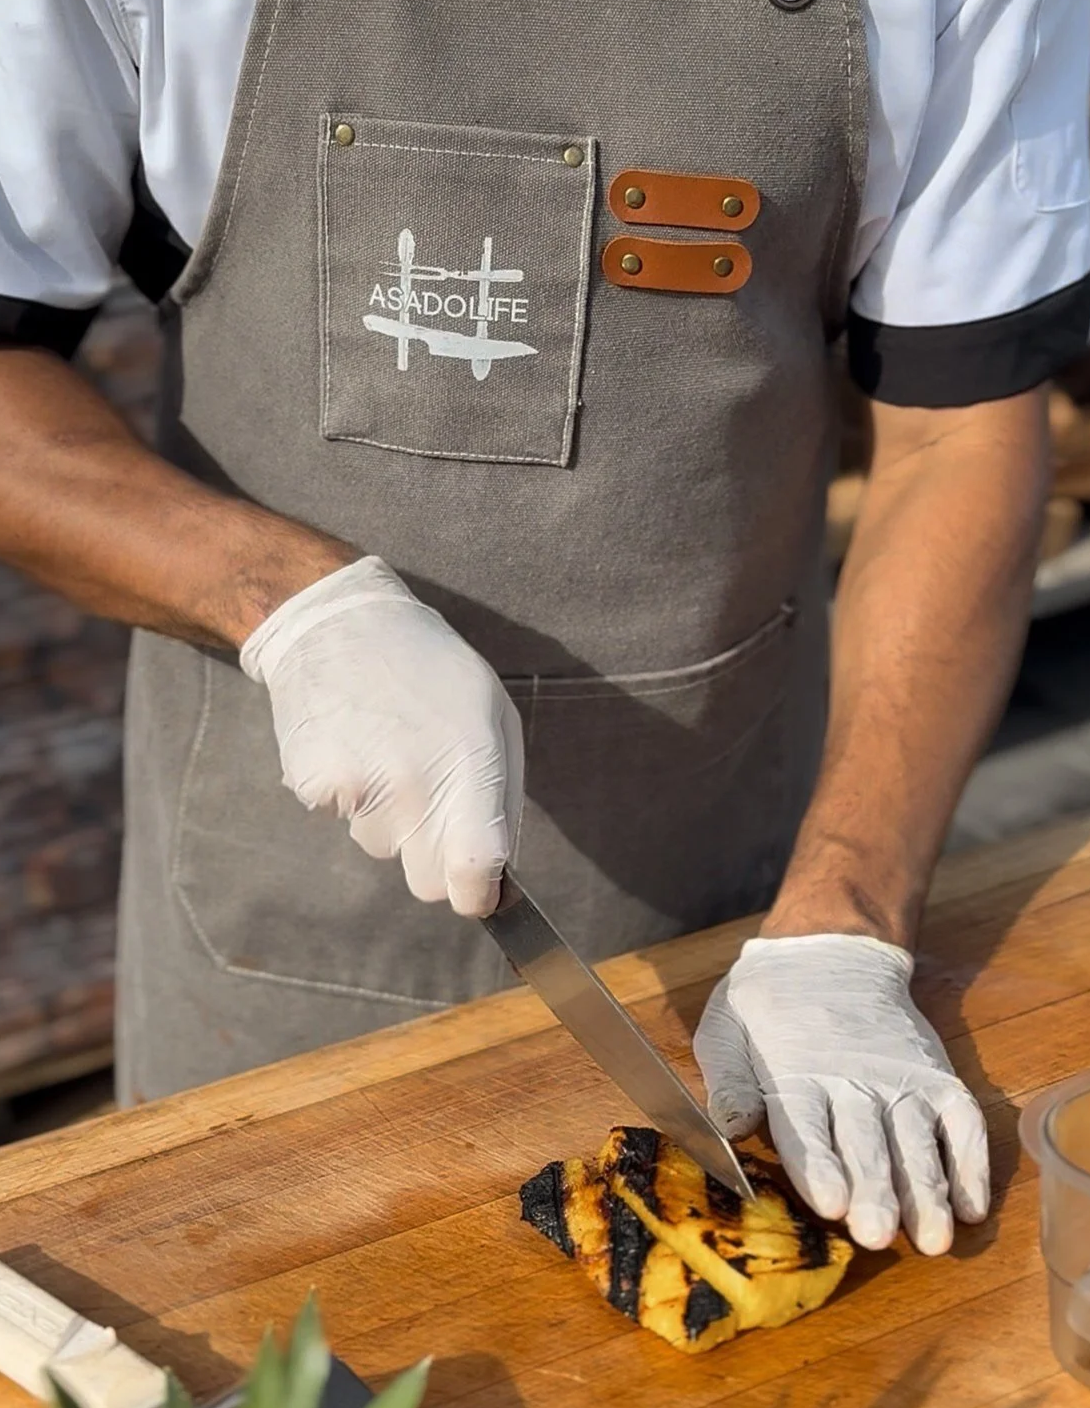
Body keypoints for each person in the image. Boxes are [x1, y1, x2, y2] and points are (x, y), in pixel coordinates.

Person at [2, 0, 1088, 1255]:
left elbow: (958, 432)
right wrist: (282, 601)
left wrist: (846, 916)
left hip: (732, 941)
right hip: (268, 943)